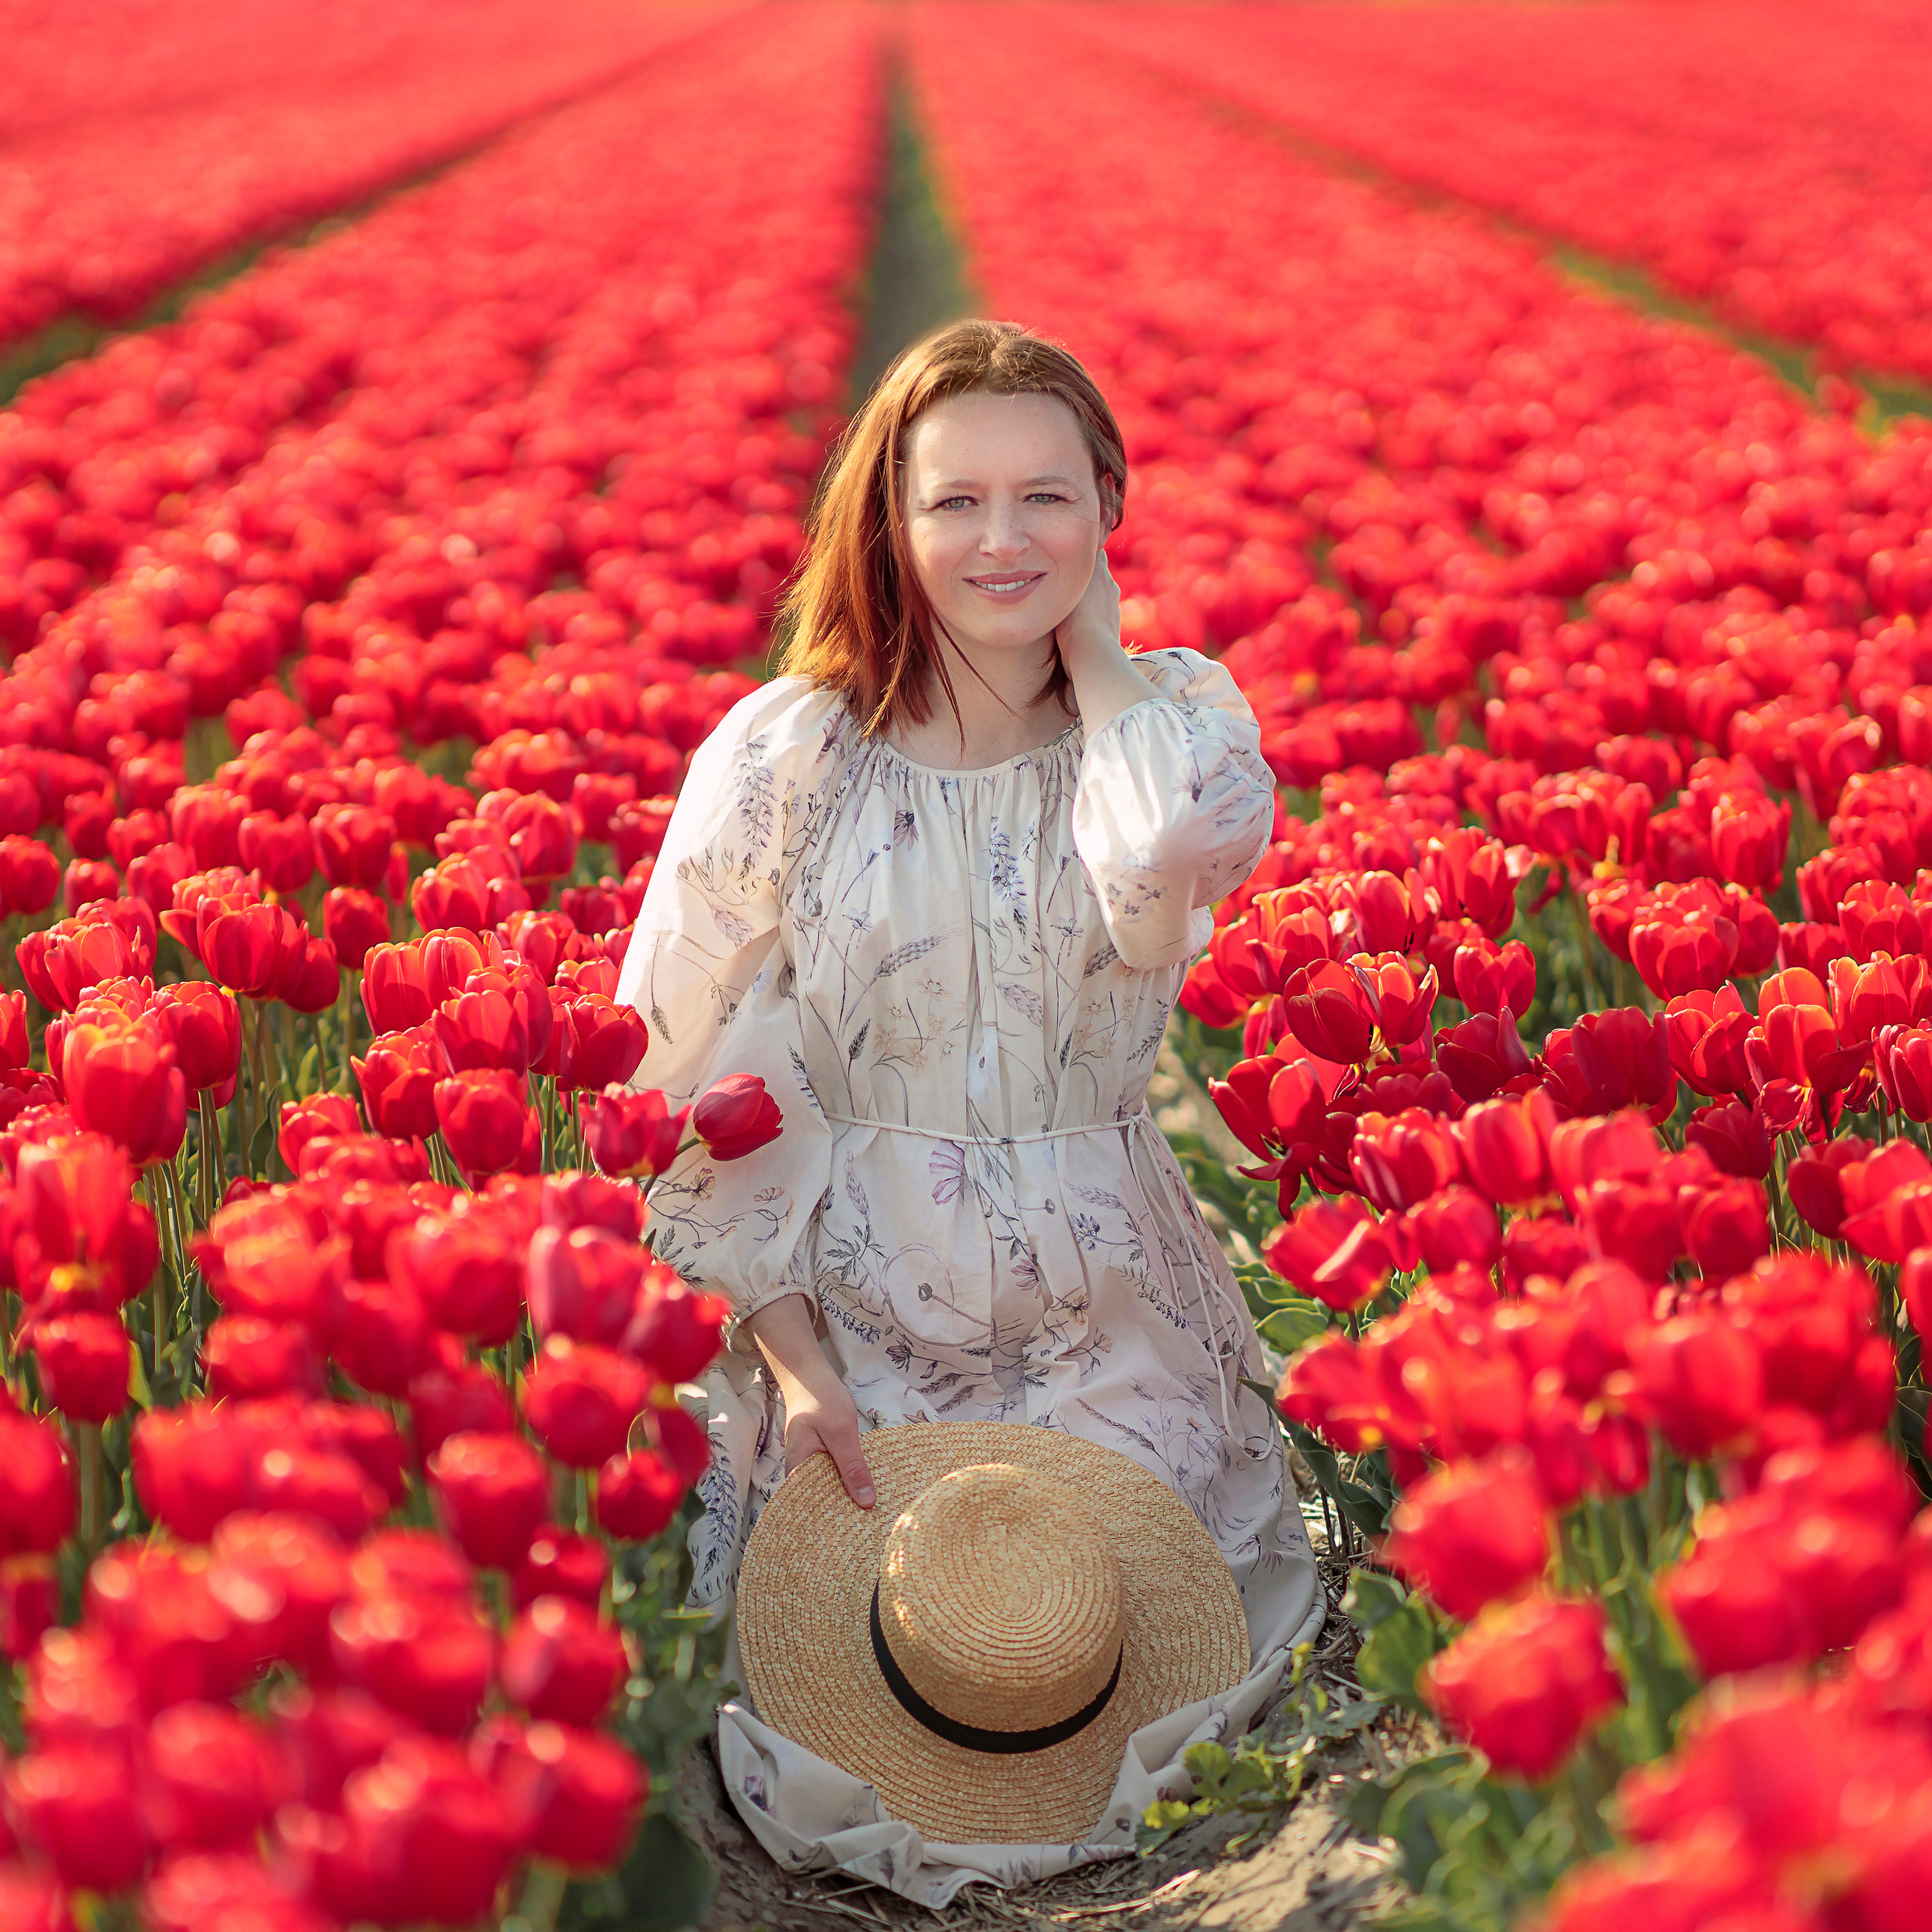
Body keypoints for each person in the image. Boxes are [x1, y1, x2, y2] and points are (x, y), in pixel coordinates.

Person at [614, 319, 1320, 1897]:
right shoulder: (790, 754)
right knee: (886, 1645)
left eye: (1046, 498)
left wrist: (1104, 668)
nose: (1002, 542)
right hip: (848, 1291)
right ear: (888, 518)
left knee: (1110, 1639)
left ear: (1109, 504)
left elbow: (1150, 895)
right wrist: (788, 1366)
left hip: (1110, 1290)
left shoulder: (1181, 726)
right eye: (954, 503)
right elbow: (676, 1079)